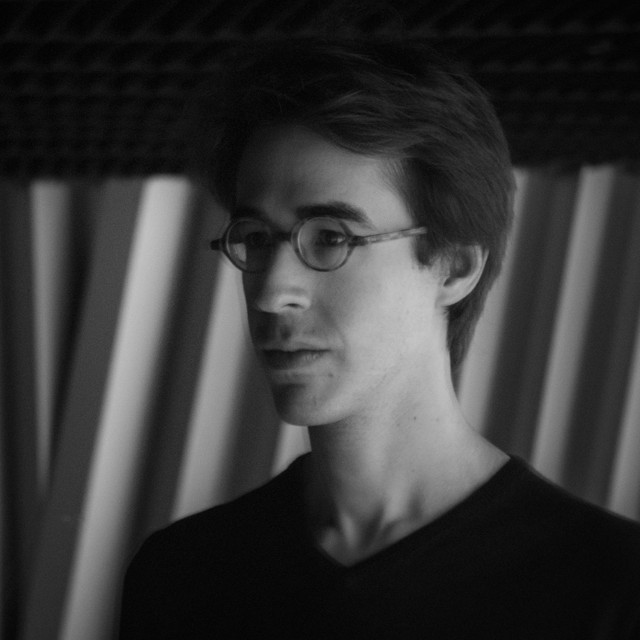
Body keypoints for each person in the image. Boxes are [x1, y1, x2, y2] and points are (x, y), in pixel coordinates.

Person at [119, 39, 640, 639]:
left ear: (453, 267)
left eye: (331, 237)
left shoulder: (612, 590)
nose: (270, 292)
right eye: (257, 238)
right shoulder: (181, 574)